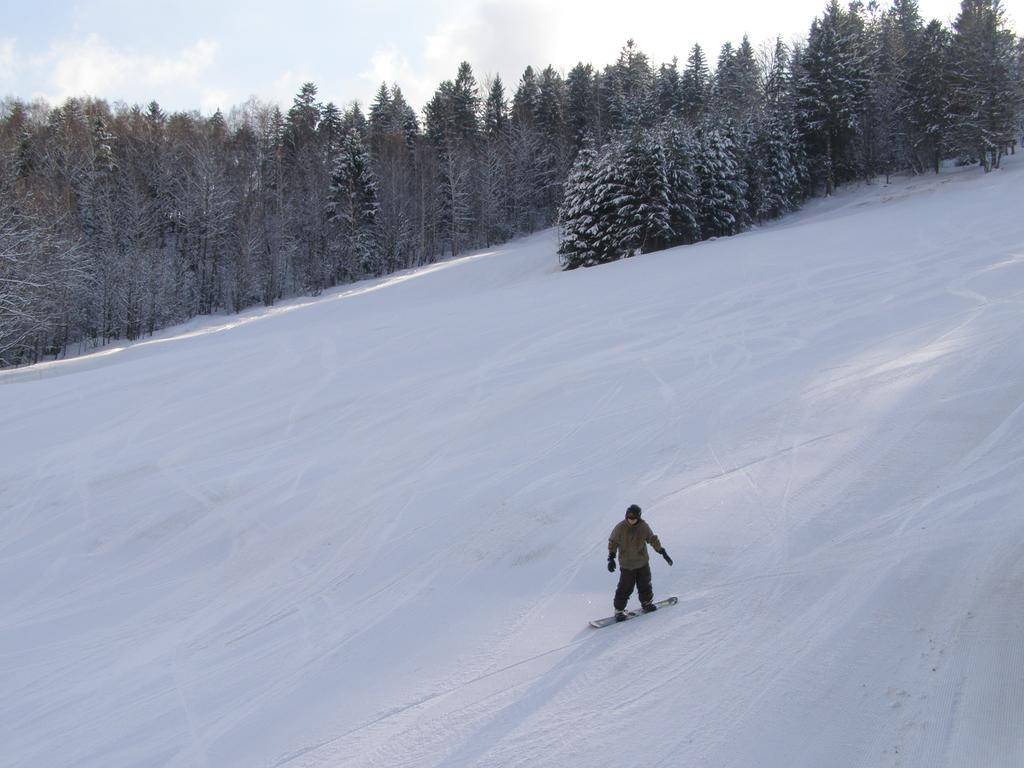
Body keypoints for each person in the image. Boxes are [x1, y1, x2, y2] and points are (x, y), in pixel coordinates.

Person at [607, 504, 673, 620]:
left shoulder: (643, 527)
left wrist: (662, 551)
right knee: (625, 587)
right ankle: (619, 610)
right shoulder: (620, 528)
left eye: (634, 518)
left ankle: (646, 603)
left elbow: (652, 539)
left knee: (645, 583)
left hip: (642, 562)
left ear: (638, 517)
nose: (631, 520)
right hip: (627, 564)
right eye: (629, 517)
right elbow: (613, 542)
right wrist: (611, 558)